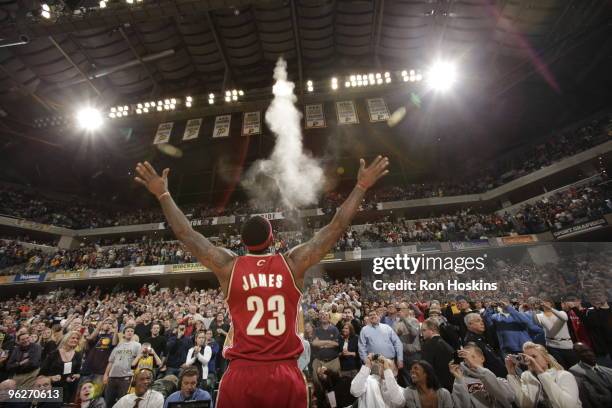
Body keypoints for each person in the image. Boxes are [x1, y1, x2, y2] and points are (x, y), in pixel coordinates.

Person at [133, 156, 389, 408]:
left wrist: (163, 195)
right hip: (284, 374)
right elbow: (336, 226)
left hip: (241, 375)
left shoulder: (228, 266)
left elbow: (185, 233)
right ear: (271, 239)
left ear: (244, 244)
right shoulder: (292, 264)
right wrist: (360, 186)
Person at [505, 341, 581, 408]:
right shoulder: (529, 378)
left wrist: (540, 373)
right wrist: (511, 372)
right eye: (526, 358)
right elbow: (524, 405)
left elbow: (568, 406)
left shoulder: (564, 375)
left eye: (534, 356)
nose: (530, 360)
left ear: (546, 359)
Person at [448, 343, 514, 408]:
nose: (469, 361)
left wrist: (478, 368)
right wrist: (459, 379)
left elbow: (510, 398)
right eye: (465, 358)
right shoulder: (461, 383)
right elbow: (462, 406)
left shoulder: (500, 380)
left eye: (472, 357)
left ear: (482, 358)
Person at [384, 360, 454, 408]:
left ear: (426, 373)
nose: (412, 371)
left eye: (416, 368)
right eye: (411, 369)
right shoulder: (409, 392)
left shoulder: (444, 393)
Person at [532, 298, 579, 369]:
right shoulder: (540, 315)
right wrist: (534, 309)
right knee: (562, 368)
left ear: (551, 303)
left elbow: (565, 318)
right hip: (552, 347)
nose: (544, 304)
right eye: (542, 302)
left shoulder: (561, 313)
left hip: (566, 345)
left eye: (547, 302)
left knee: (575, 367)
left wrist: (550, 309)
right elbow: (536, 322)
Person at [40, 330, 83, 403]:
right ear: (66, 339)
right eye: (73, 338)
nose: (75, 340)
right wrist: (51, 378)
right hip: (52, 388)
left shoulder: (78, 355)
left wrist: (76, 376)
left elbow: (78, 372)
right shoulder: (53, 354)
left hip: (68, 389)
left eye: (77, 339)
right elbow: (41, 375)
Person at [103, 326, 141, 407]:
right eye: (128, 331)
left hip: (126, 377)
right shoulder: (118, 346)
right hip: (112, 377)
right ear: (124, 334)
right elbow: (111, 362)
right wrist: (106, 375)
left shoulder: (137, 345)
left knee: (122, 402)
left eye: (132, 331)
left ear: (133, 334)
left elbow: (139, 361)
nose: (130, 332)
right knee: (108, 402)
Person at [568, 342, 612, 408]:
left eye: (590, 350)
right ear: (577, 355)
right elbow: (592, 396)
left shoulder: (607, 369)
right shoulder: (575, 371)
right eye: (584, 352)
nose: (589, 354)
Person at [464, 312, 507, 378]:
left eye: (481, 320)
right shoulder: (471, 342)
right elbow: (478, 365)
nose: (482, 323)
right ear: (470, 324)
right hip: (494, 377)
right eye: (478, 321)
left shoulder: (479, 337)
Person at [420, 318, 454, 391]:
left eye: (424, 330)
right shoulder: (446, 344)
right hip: (450, 385)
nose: (422, 333)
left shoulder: (427, 345)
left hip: (437, 387)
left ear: (432, 330)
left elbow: (426, 369)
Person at [81, 318, 117, 386]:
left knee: (95, 394)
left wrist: (115, 330)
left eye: (110, 324)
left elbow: (114, 343)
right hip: (88, 368)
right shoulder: (97, 336)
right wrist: (99, 326)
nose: (107, 325)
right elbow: (90, 338)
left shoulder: (113, 337)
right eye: (105, 323)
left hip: (101, 371)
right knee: (80, 393)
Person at [312, 311, 341, 393]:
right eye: (322, 315)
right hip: (320, 361)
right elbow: (314, 343)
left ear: (329, 318)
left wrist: (322, 343)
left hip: (333, 361)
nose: (324, 316)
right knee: (319, 384)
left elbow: (337, 344)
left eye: (326, 315)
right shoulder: (316, 330)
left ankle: (334, 403)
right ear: (320, 318)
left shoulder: (334, 329)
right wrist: (329, 342)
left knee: (335, 383)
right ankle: (322, 402)